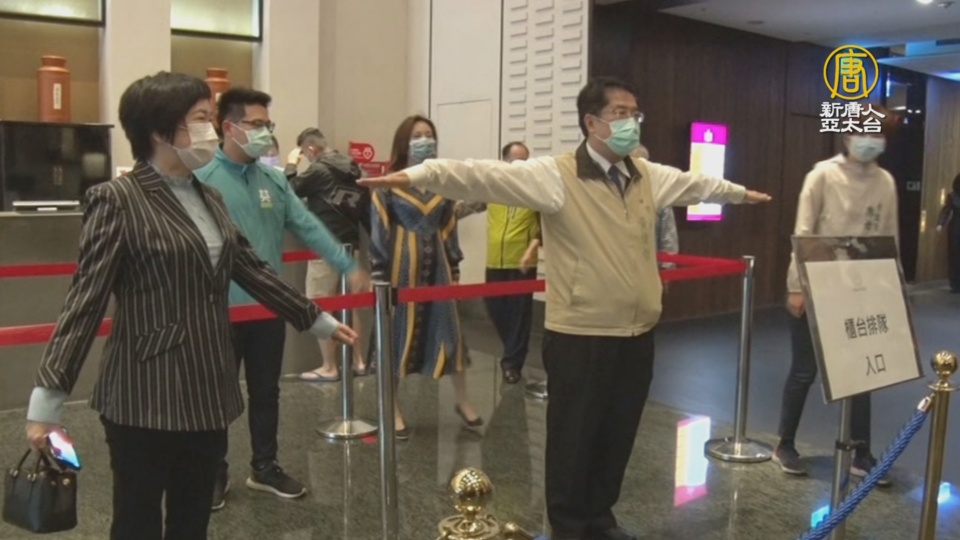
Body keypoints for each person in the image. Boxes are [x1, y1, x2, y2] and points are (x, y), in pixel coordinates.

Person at [359, 77, 770, 540]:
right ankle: (570, 527)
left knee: (616, 436)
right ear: (591, 122)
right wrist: (416, 175)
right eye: (619, 113)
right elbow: (482, 175)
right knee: (574, 440)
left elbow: (694, 184)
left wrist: (739, 193)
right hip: (581, 332)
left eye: (635, 113)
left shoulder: (645, 175)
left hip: (636, 332)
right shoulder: (557, 175)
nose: (631, 122)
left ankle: (600, 519)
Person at [23, 72, 357, 540]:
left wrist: (315, 318)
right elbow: (84, 302)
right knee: (137, 521)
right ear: (160, 131)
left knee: (192, 518)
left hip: (207, 389)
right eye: (200, 118)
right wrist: (46, 403)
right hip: (144, 392)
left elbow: (250, 268)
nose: (210, 130)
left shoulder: (209, 196)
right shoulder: (118, 200)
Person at [195, 88, 365, 509]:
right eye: (256, 124)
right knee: (215, 396)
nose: (265, 133)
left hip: (267, 307)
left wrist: (346, 264)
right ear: (229, 127)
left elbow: (307, 225)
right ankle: (212, 472)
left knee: (266, 391)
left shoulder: (273, 180)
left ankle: (264, 466)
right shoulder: (201, 179)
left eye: (268, 125)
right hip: (217, 310)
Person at [777, 110, 898, 485]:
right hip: (817, 284)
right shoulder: (822, 175)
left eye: (877, 133)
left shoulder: (885, 182)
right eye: (864, 132)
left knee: (862, 373)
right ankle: (785, 444)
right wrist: (797, 286)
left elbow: (889, 239)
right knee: (804, 370)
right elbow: (803, 232)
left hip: (861, 289)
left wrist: (891, 289)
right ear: (847, 136)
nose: (870, 140)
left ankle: (861, 453)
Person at [369, 114, 482, 441]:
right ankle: (391, 405)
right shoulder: (388, 184)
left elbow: (448, 227)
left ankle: (462, 401)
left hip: (438, 272)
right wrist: (380, 274)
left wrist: (455, 267)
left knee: (451, 333)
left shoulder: (441, 183)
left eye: (429, 134)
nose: (424, 140)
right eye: (417, 135)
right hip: (400, 272)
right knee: (396, 336)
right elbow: (379, 228)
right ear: (404, 142)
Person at [286, 128, 371, 382]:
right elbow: (366, 212)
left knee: (321, 306)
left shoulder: (319, 170)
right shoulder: (355, 170)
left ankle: (330, 366)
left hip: (325, 247)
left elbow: (288, 191)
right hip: (351, 247)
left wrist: (291, 165)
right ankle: (358, 362)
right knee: (350, 307)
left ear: (310, 149)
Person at [454, 141, 541, 383]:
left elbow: (547, 224)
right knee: (495, 309)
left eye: (525, 161)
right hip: (495, 262)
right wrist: (437, 214)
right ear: (504, 162)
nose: (520, 166)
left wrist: (532, 248)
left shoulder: (534, 191)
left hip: (522, 264)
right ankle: (513, 348)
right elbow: (464, 207)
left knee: (519, 315)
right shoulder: (493, 189)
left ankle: (512, 363)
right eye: (516, 160)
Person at [936, 173, 960, 293]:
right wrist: (940, 224)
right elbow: (946, 211)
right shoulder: (952, 196)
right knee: (955, 257)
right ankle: (955, 284)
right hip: (955, 229)